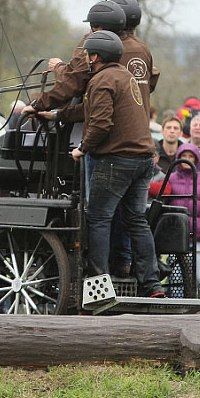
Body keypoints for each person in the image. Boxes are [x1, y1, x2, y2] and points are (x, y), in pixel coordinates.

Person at [70, 30, 164, 297]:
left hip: (116, 161)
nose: (86, 59)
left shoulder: (101, 80)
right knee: (137, 220)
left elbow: (100, 122)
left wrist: (82, 148)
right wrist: (57, 115)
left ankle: (98, 285)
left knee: (99, 218)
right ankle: (152, 284)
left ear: (96, 56)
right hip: (144, 160)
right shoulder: (127, 77)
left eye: (88, 55)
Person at [167, 143, 200, 284]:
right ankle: (176, 304)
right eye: (184, 156)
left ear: (196, 159)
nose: (187, 159)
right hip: (176, 237)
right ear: (178, 157)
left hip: (198, 236)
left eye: (191, 156)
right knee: (175, 277)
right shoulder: (170, 178)